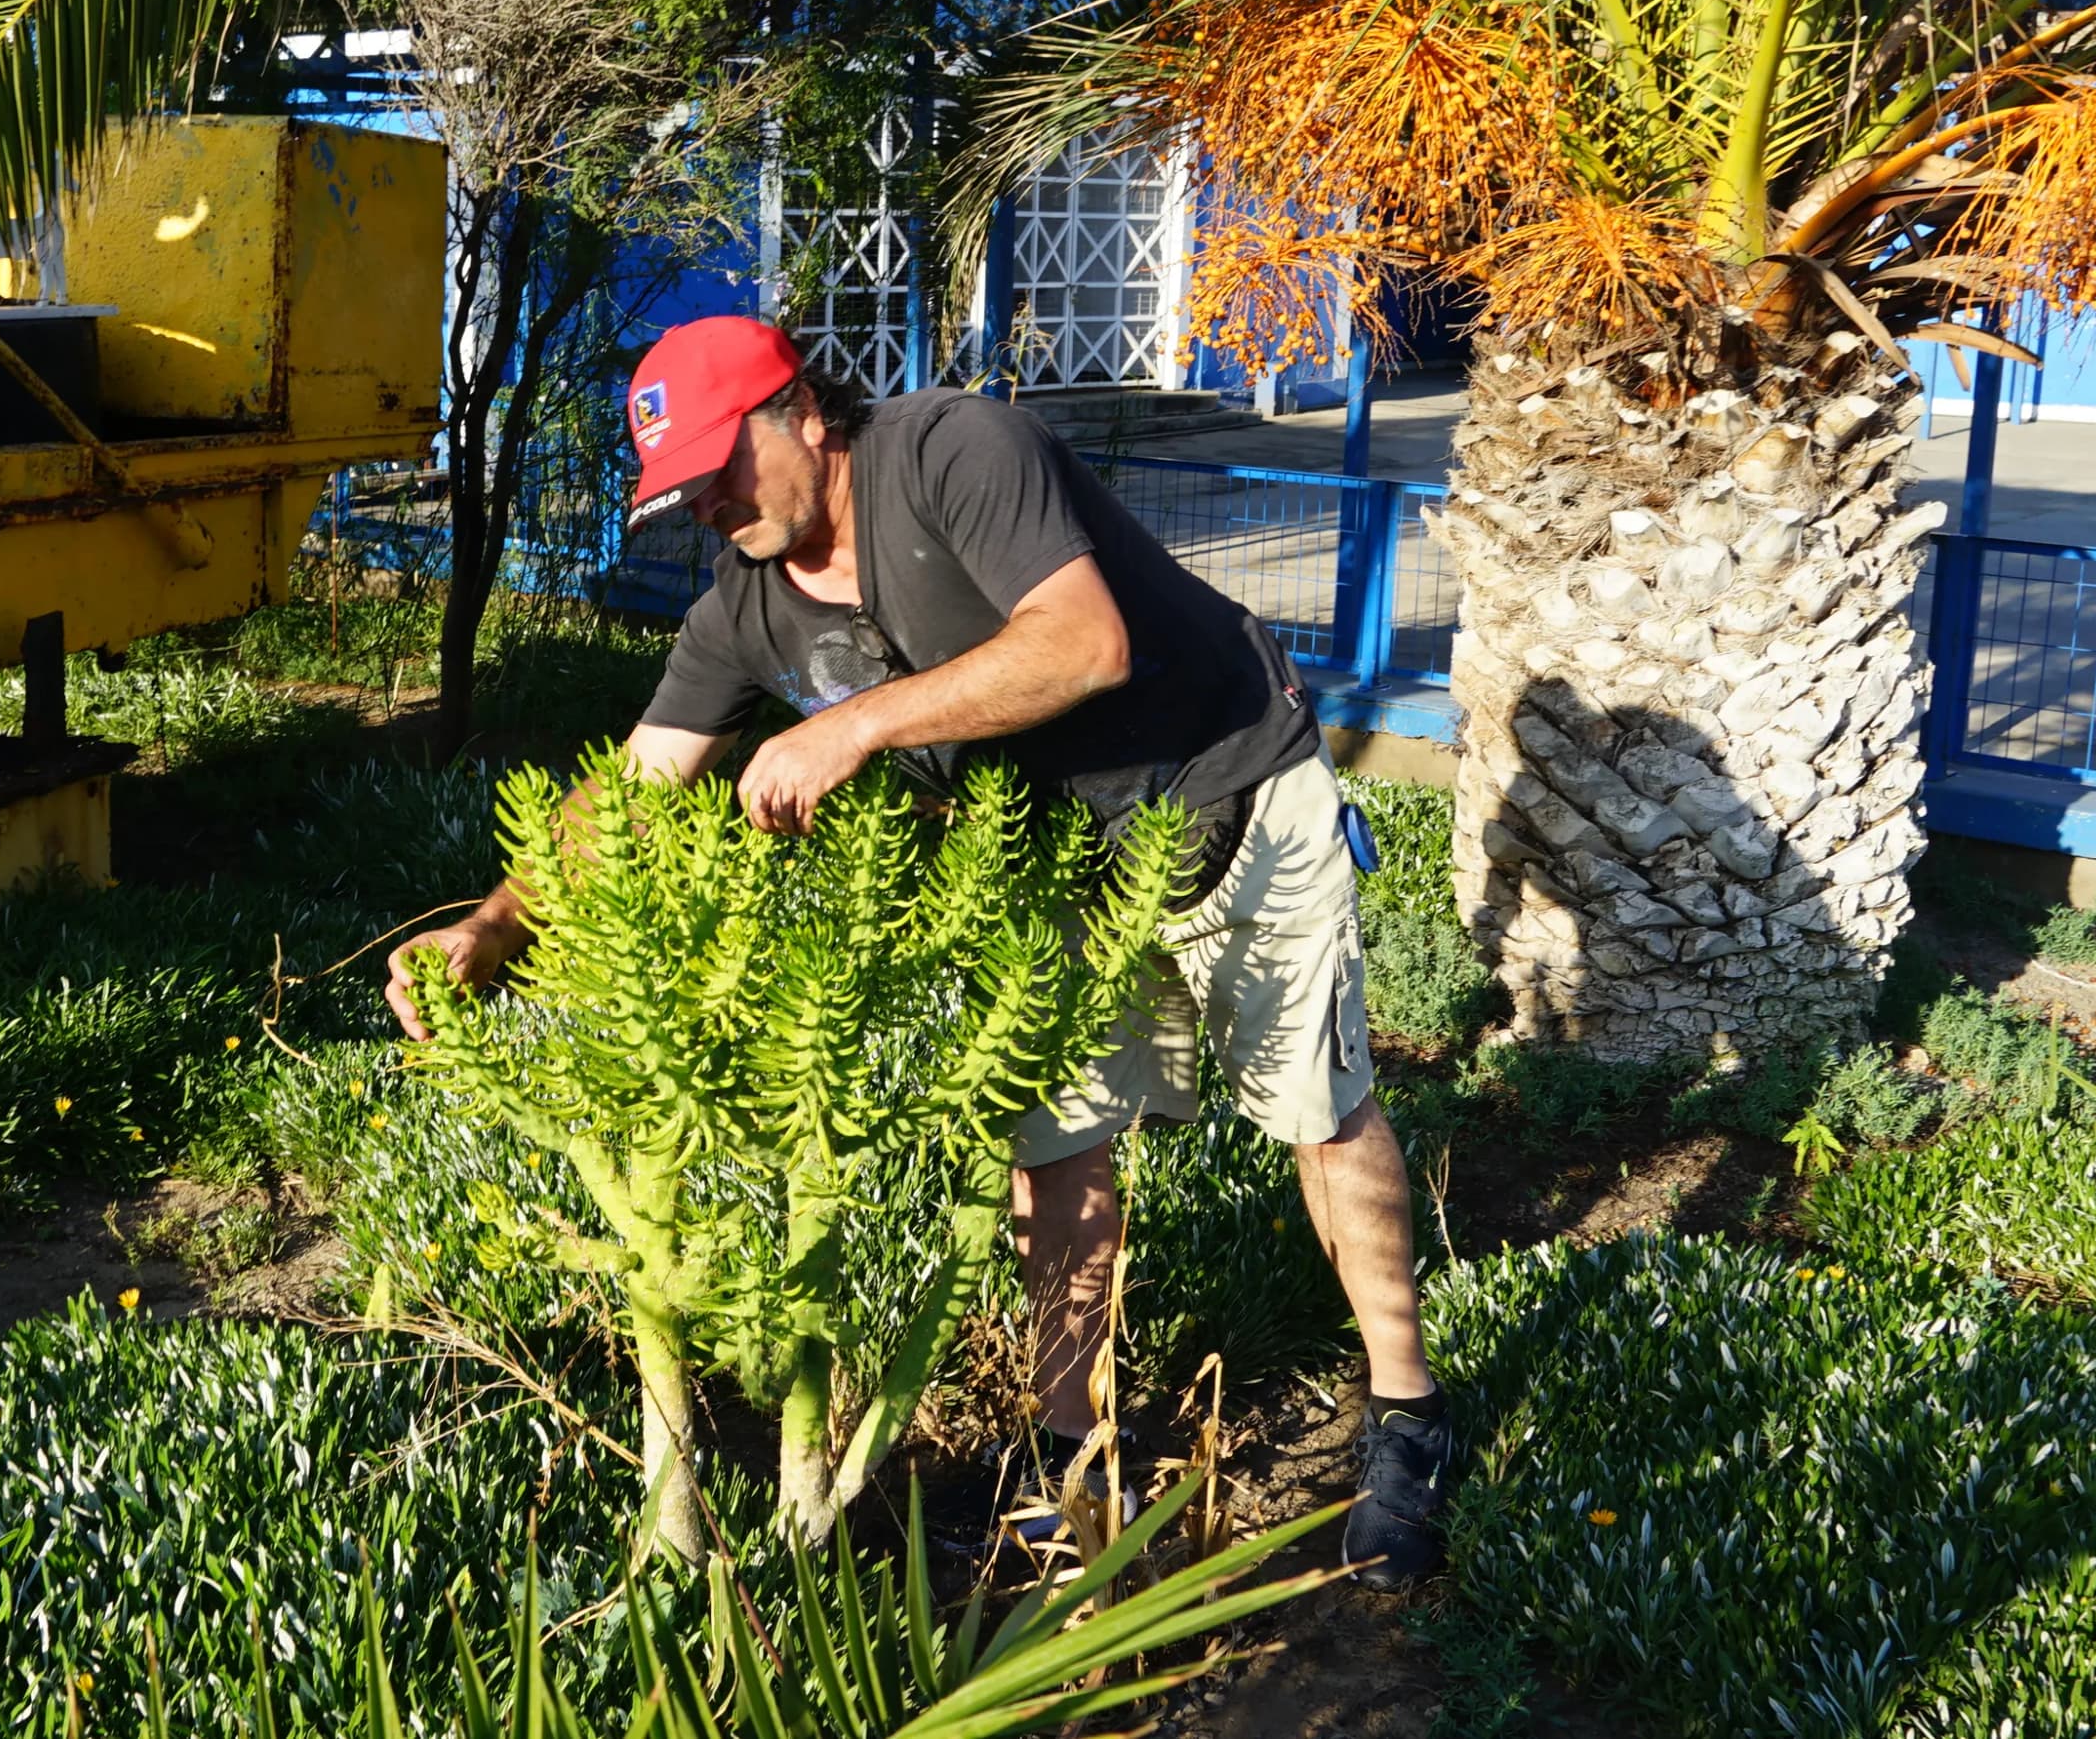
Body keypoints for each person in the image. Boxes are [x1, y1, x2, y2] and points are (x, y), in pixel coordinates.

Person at [384, 314, 1456, 1583]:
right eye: (682, 493)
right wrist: (499, 923)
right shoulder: (744, 606)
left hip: (1227, 787)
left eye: (723, 466)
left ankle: (1407, 1416)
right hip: (1054, 861)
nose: (709, 504)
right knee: (1054, 1148)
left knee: (1315, 1114)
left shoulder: (954, 449)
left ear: (803, 412)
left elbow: (1084, 640)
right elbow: (632, 789)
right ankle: (1075, 1463)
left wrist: (854, 730)